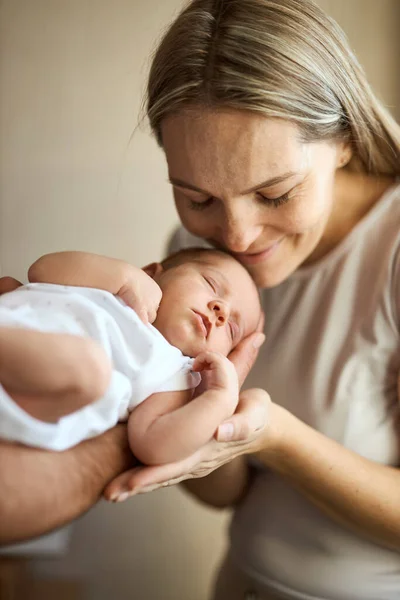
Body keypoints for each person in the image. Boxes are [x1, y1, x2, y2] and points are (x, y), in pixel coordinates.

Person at [103, 0, 400, 599]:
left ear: (343, 141)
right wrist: (181, 417)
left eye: (275, 193)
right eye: (198, 196)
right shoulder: (195, 252)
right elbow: (227, 493)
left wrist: (275, 435)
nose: (237, 237)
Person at [0, 249, 261, 465]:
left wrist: (219, 399)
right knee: (9, 286)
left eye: (231, 329)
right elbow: (41, 270)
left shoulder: (174, 375)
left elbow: (154, 446)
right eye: (211, 284)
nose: (221, 311)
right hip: (15, 327)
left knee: (91, 370)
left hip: (35, 401)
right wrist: (125, 276)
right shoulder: (120, 287)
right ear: (151, 273)